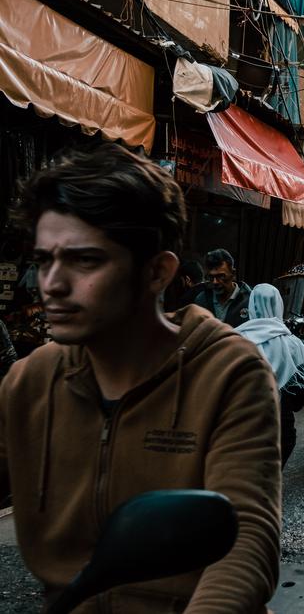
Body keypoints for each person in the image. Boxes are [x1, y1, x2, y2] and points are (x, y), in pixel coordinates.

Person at [0, 144, 280, 611]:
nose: (51, 283)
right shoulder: (30, 382)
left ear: (157, 272)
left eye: (85, 261)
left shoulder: (230, 372)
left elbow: (246, 539)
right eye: (45, 259)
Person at [235, 284, 304, 468]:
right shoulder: (291, 343)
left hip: (242, 419)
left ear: (251, 306)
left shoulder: (235, 339)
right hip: (279, 421)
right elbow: (302, 391)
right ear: (279, 305)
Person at [194, 248, 252, 328]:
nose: (215, 282)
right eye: (211, 277)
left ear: (233, 274)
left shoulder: (249, 300)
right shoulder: (201, 300)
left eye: (221, 276)